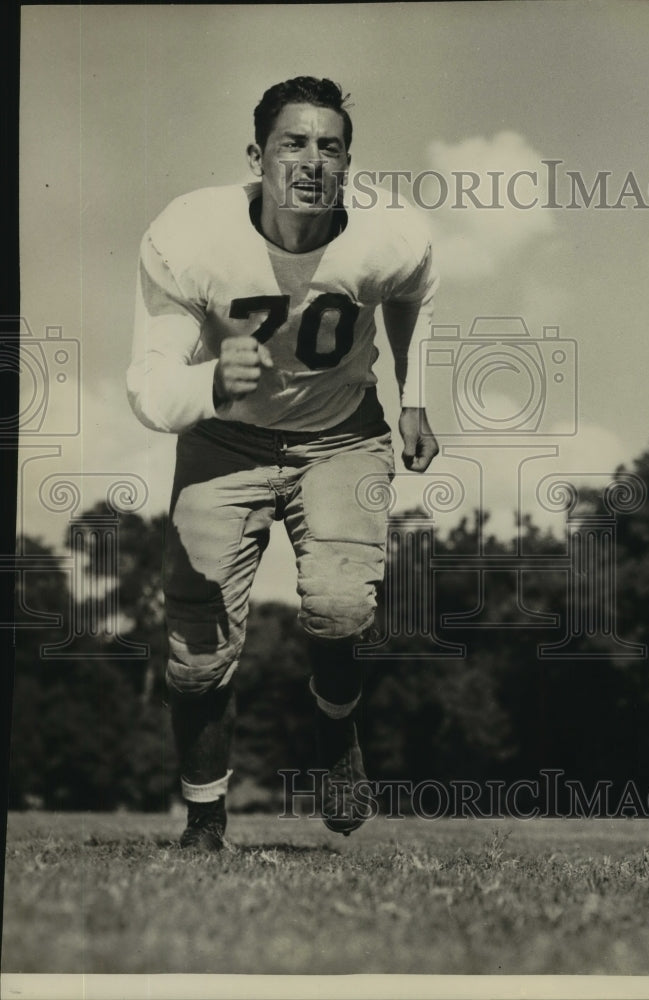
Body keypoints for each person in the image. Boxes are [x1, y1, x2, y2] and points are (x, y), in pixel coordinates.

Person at [127, 76, 439, 851]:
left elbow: (414, 290)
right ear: (256, 156)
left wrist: (414, 397)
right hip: (224, 441)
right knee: (196, 656)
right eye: (292, 143)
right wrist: (210, 380)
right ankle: (205, 819)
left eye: (330, 147)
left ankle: (336, 730)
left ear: (348, 164)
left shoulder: (390, 233)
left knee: (341, 608)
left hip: (340, 435)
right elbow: (149, 384)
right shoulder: (190, 235)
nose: (311, 161)